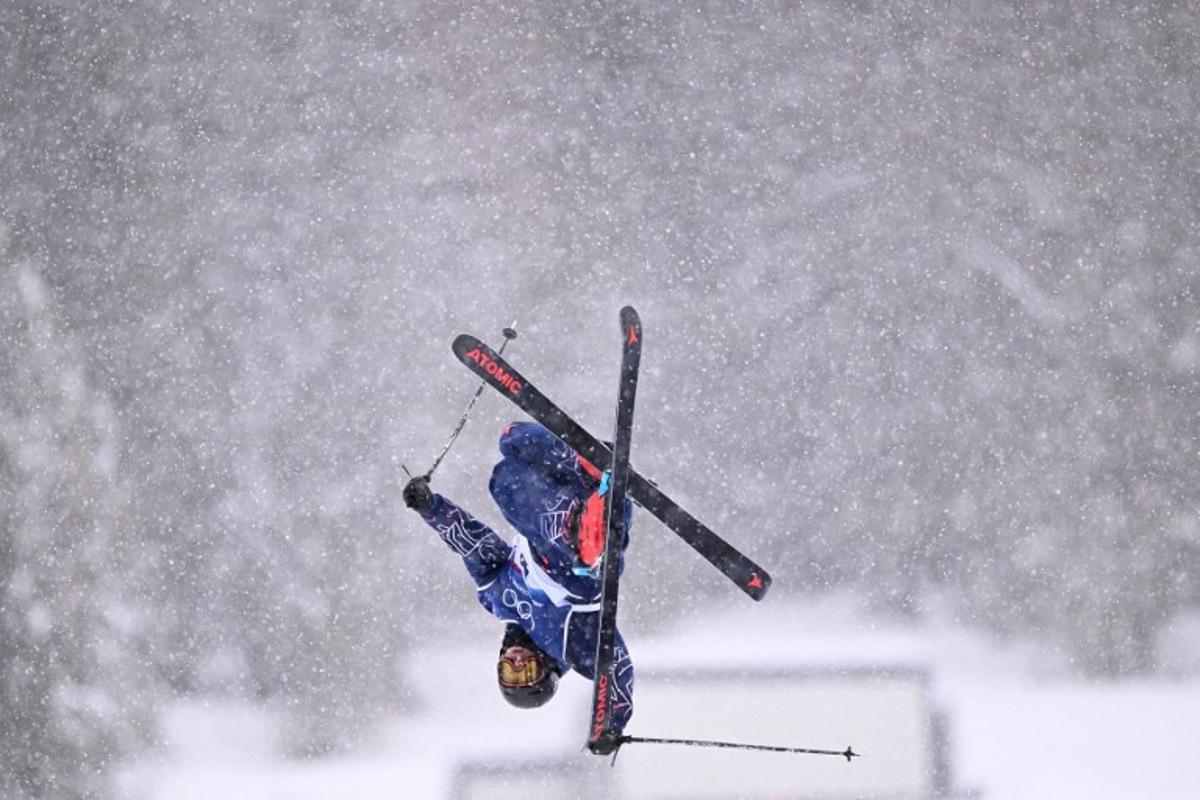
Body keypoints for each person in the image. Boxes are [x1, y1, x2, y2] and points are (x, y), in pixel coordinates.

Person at [402, 421, 634, 750]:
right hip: (579, 568)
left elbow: (472, 544)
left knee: (512, 447)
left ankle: (587, 470)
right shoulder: (570, 645)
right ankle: (586, 534)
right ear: (547, 670)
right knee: (515, 497)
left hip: (566, 502)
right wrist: (609, 727)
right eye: (526, 673)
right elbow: (619, 671)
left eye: (509, 672)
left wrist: (431, 508)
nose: (517, 661)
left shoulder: (498, 598)